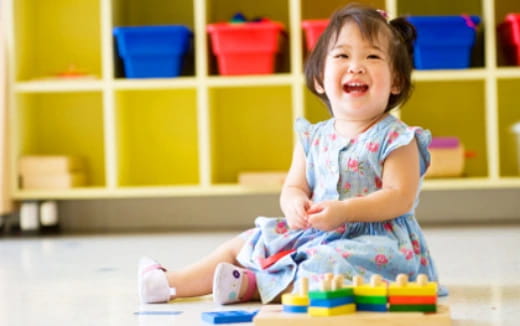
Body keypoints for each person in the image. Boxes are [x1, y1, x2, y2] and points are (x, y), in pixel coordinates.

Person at [138, 3, 445, 305]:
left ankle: (253, 285)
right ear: (319, 80)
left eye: (373, 56)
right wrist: (295, 204)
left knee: (328, 265)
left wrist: (346, 211)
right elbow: (294, 186)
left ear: (397, 82)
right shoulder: (313, 137)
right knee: (251, 240)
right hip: (314, 233)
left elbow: (399, 196)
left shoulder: (398, 138)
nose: (356, 65)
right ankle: (171, 283)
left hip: (374, 242)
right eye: (342, 55)